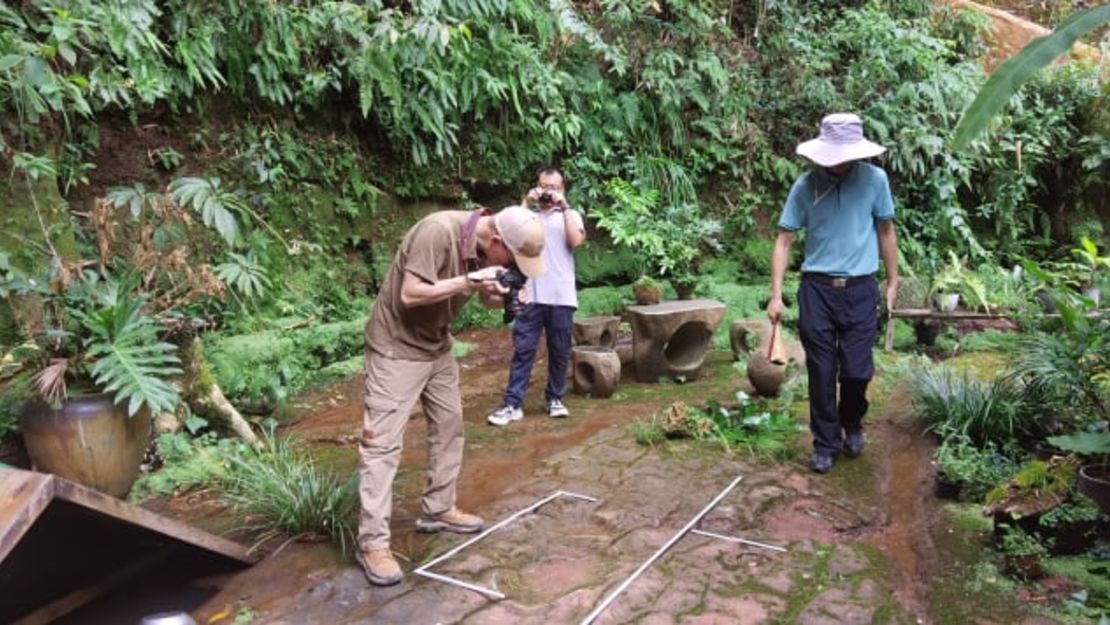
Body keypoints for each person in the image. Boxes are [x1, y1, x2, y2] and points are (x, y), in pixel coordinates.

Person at [357, 205, 547, 586]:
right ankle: (372, 544)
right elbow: (411, 295)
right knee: (382, 446)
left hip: (437, 345)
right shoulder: (437, 231)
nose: (518, 267)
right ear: (495, 242)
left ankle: (438, 509)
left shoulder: (482, 248)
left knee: (449, 426)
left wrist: (502, 293)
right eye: (514, 261)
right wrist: (471, 281)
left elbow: (483, 296)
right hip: (396, 348)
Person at [766, 113, 899, 475]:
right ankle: (825, 443)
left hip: (860, 289)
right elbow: (784, 239)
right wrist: (776, 295)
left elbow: (886, 231)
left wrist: (892, 281)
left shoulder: (875, 180)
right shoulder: (806, 186)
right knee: (822, 372)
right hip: (817, 291)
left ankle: (852, 422)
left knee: (857, 371)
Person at [487, 166, 587, 426]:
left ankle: (555, 398)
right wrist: (525, 202)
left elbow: (576, 241)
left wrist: (564, 207)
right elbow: (509, 237)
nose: (549, 192)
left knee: (560, 350)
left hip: (561, 295)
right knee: (523, 350)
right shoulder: (527, 216)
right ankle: (512, 404)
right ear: (537, 186)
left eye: (555, 187)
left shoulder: (571, 214)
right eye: (545, 186)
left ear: (562, 189)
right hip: (529, 292)